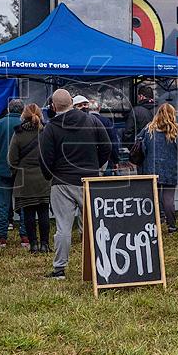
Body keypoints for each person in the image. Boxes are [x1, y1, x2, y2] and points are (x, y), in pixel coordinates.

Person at [39, 89, 111, 280]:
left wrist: (51, 176)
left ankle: (59, 269)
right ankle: (103, 265)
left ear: (53, 107)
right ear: (72, 102)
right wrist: (96, 167)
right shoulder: (92, 121)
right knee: (95, 225)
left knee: (63, 228)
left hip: (62, 182)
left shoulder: (51, 128)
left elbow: (45, 158)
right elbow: (107, 146)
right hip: (89, 180)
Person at [138, 103, 178, 233]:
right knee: (168, 200)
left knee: (152, 199)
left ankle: (152, 226)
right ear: (173, 115)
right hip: (170, 170)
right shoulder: (177, 132)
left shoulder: (148, 130)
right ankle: (172, 226)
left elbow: (140, 147)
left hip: (151, 170)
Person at [9, 103, 51, 254]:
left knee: (28, 213)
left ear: (23, 115)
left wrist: (16, 172)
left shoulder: (19, 133)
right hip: (44, 178)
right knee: (44, 212)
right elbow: (52, 155)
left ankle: (33, 245)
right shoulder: (46, 132)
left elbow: (11, 159)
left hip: (24, 179)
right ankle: (45, 244)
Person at [0, 99, 25, 248]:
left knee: (3, 204)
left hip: (2, 170)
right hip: (22, 171)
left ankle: (2, 237)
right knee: (23, 203)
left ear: (8, 109)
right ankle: (25, 236)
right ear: (22, 110)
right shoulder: (26, 124)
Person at [85, 100, 121, 171]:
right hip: (107, 161)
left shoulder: (84, 121)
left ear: (87, 109)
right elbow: (113, 142)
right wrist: (115, 160)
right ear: (99, 108)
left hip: (88, 162)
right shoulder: (107, 122)